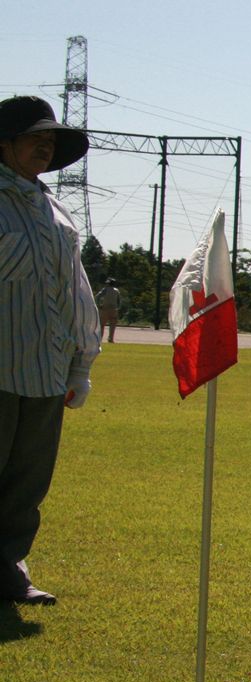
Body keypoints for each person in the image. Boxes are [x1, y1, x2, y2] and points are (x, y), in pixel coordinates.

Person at [0, 96, 100, 606]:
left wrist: (81, 364)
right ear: (4, 144)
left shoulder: (56, 210)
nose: (45, 146)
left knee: (26, 486)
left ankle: (9, 571)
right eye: (34, 137)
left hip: (44, 371)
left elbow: (76, 290)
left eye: (50, 140)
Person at [96, 278, 121, 343]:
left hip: (105, 309)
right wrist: (118, 307)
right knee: (112, 325)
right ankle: (111, 339)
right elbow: (119, 300)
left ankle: (100, 339)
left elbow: (98, 296)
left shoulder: (105, 289)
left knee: (102, 325)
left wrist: (98, 305)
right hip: (114, 309)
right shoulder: (117, 290)